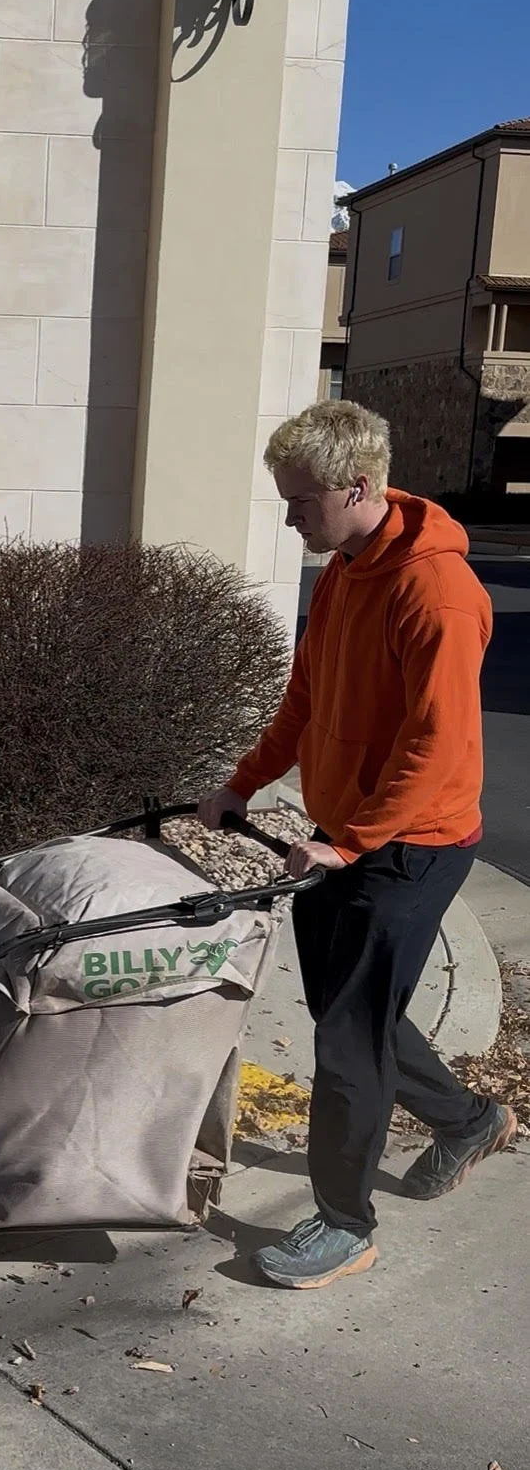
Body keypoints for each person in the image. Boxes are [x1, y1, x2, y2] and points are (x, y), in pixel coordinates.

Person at [199, 400, 515, 1291]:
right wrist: (241, 783)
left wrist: (354, 844)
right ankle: (465, 1119)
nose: (289, 516)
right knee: (348, 1013)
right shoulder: (344, 565)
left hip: (412, 845)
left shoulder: (437, 593)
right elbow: (305, 697)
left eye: (300, 501)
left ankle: (344, 1224)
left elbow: (437, 743)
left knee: (345, 1040)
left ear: (358, 487)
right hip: (342, 833)